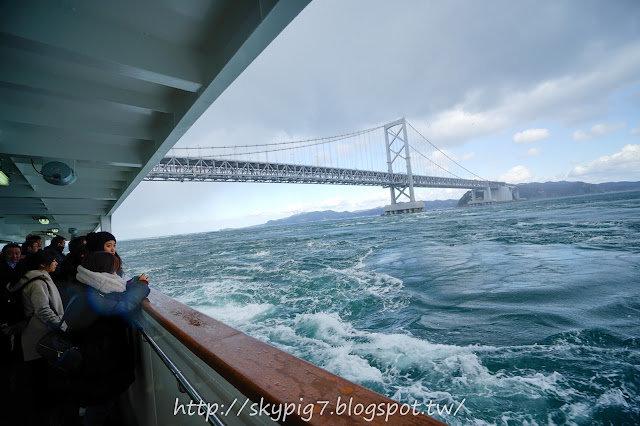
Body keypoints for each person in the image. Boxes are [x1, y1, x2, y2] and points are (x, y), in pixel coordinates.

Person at [67, 251, 149, 425]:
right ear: (103, 269)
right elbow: (120, 307)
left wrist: (131, 285)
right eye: (114, 268)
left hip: (98, 353)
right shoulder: (92, 292)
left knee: (102, 400)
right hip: (99, 357)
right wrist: (140, 288)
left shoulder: (89, 284)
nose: (116, 272)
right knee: (101, 402)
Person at [6, 250, 67, 424]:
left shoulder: (29, 278)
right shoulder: (38, 282)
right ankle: (41, 409)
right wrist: (61, 326)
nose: (56, 263)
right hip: (37, 332)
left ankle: (37, 404)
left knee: (35, 371)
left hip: (29, 332)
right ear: (42, 264)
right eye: (54, 261)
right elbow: (43, 310)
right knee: (40, 371)